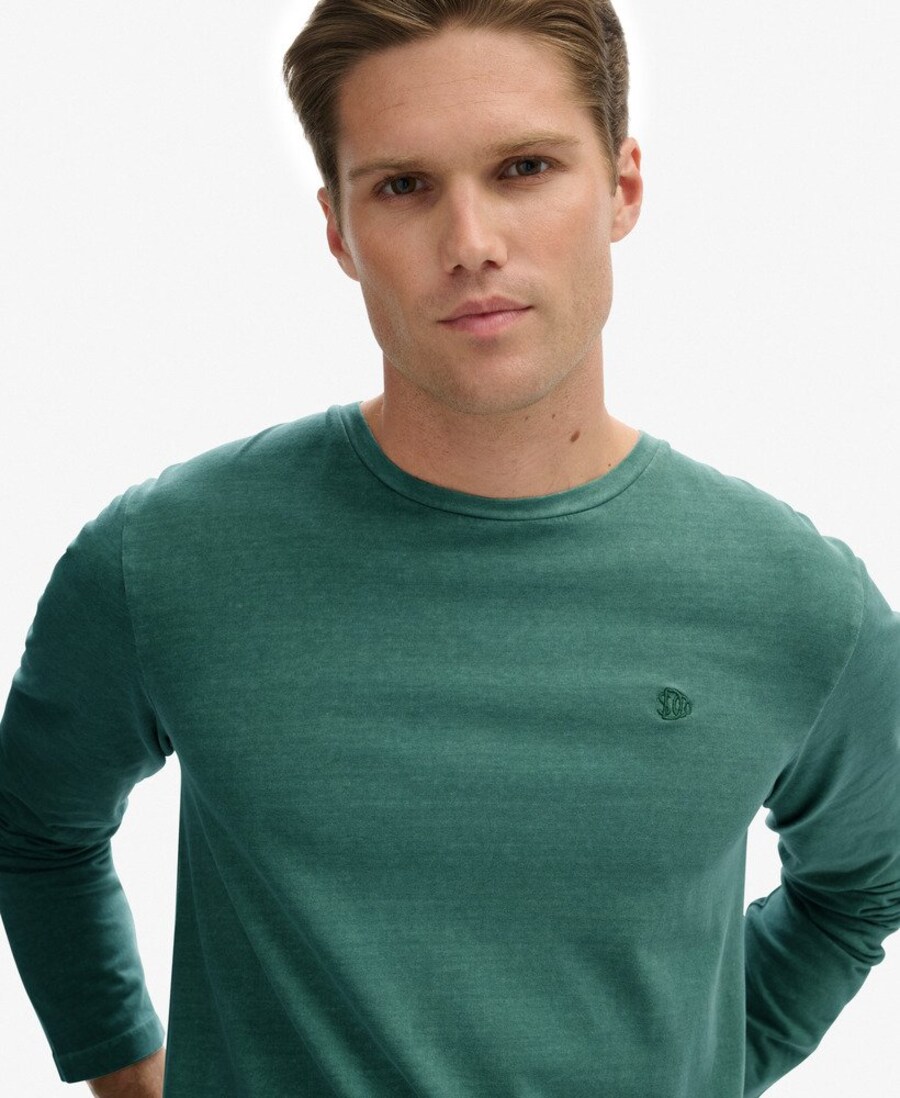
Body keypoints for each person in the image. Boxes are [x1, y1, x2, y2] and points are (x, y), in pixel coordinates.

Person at [1, 1, 898, 1095]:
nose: (471, 244)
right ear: (338, 230)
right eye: (404, 186)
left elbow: (862, 887)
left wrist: (702, 1063)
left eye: (524, 168)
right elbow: (33, 828)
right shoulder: (164, 559)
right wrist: (123, 1070)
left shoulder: (800, 603)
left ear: (623, 187)